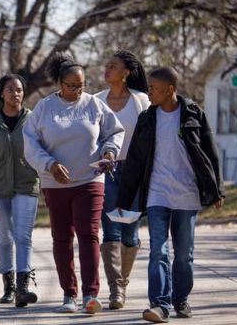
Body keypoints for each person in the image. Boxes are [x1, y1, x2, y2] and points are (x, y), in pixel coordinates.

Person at [116, 67, 225, 323]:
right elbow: (134, 160)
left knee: (184, 253)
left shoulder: (192, 114)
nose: (149, 92)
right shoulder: (147, 118)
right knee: (158, 250)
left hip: (187, 195)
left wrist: (216, 189)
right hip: (157, 194)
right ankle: (159, 304)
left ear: (170, 90)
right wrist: (124, 198)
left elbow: (210, 153)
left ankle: (181, 299)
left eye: (153, 88)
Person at [23, 52, 124, 315]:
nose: (77, 90)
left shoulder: (94, 105)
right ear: (60, 84)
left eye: (81, 85)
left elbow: (115, 132)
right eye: (71, 86)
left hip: (90, 180)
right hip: (55, 183)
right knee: (62, 237)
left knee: (89, 233)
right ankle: (69, 295)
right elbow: (30, 143)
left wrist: (110, 152)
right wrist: (50, 165)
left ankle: (91, 294)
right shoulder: (44, 109)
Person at [95, 50, 150, 310]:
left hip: (134, 173)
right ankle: (116, 289)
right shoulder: (96, 100)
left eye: (113, 66)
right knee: (110, 230)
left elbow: (152, 139)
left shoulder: (141, 101)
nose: (107, 70)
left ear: (126, 72)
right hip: (106, 170)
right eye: (106, 65)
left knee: (130, 232)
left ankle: (123, 281)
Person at [0, 74, 39, 307]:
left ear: (23, 93)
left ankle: (23, 289)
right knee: (4, 237)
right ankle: (9, 285)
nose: (14, 94)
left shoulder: (33, 119)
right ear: (1, 93)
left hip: (26, 184)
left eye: (18, 89)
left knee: (23, 236)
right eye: (9, 89)